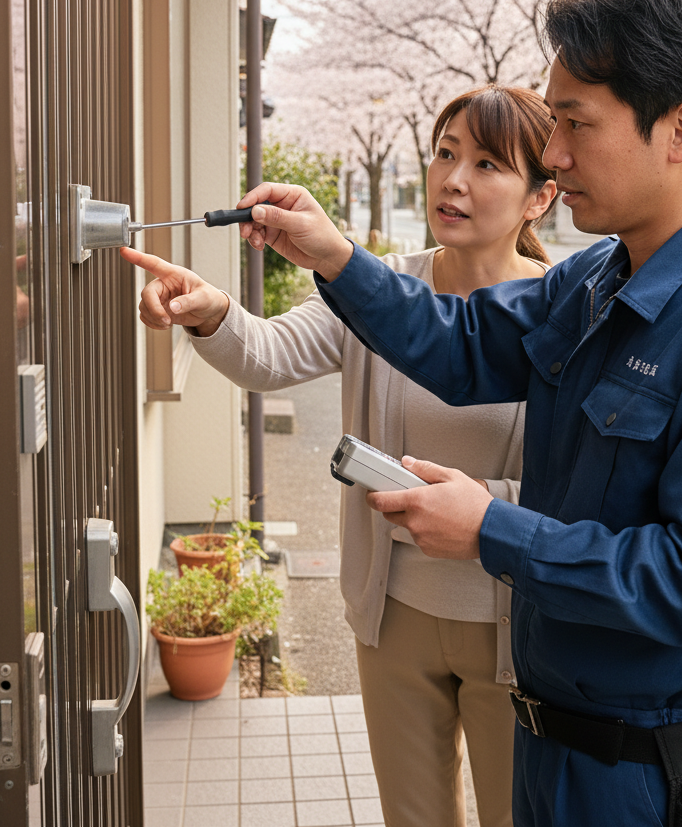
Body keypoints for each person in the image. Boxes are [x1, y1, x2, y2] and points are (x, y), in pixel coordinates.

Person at [231, 0, 682, 827]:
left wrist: (492, 529)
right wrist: (333, 256)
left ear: (681, 130)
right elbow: (462, 343)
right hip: (555, 745)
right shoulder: (597, 280)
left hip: (655, 778)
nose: (554, 154)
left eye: (575, 123)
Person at [122, 85, 558, 827]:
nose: (453, 180)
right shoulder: (380, 287)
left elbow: (581, 485)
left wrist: (489, 509)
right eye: (445, 154)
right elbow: (269, 353)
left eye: (487, 164)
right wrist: (212, 311)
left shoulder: (562, 311)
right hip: (393, 617)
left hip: (517, 632)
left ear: (540, 198)